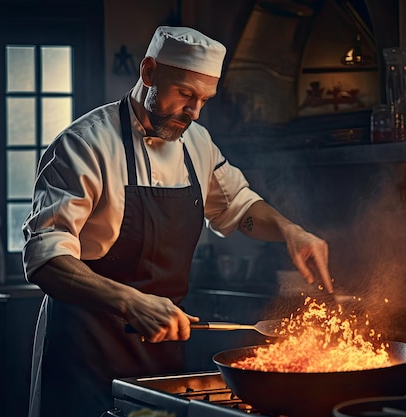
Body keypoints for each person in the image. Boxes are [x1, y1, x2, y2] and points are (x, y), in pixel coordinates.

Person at [22, 26, 334, 417]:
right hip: (85, 357)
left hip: (161, 362)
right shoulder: (83, 146)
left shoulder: (197, 143)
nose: (195, 111)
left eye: (204, 99)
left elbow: (239, 207)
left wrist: (291, 231)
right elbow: (43, 260)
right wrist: (129, 300)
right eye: (186, 94)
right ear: (149, 73)